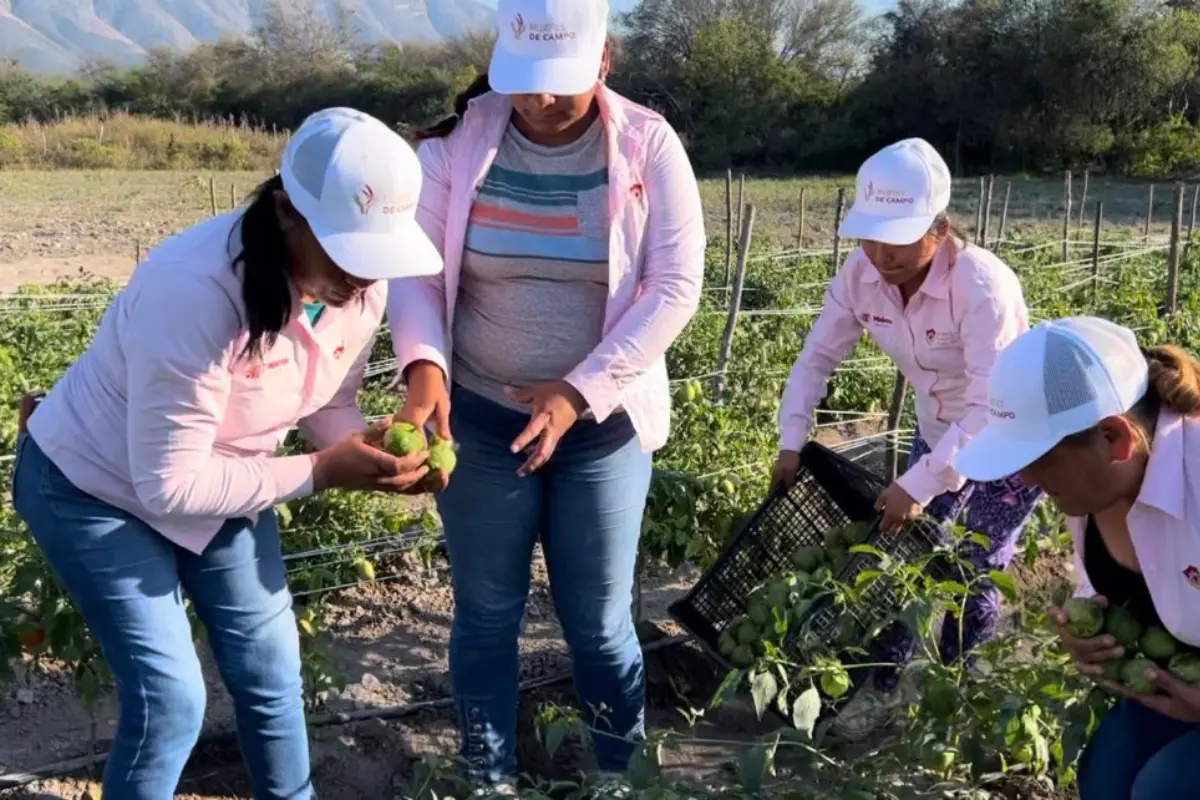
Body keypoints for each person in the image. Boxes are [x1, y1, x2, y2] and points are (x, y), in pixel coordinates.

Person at [11, 107, 442, 800]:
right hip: (92, 488)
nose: (364, 278)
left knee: (271, 673)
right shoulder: (194, 290)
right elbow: (168, 486)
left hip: (228, 477)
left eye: (377, 255)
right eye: (348, 253)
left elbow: (324, 400)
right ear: (285, 213)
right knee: (170, 702)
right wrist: (322, 472)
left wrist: (365, 452)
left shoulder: (360, 282)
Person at [388, 0, 705, 792]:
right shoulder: (461, 141)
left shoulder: (646, 143)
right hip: (483, 419)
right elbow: (416, 271)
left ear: (603, 63)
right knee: (487, 614)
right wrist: (424, 365)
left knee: (598, 625)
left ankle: (618, 777)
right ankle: (485, 777)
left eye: (561, 84)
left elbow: (674, 287)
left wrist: (578, 391)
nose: (542, 101)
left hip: (601, 428)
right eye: (527, 84)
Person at [772, 137, 1043, 740]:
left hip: (1012, 440)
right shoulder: (861, 275)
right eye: (869, 237)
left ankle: (959, 691)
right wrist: (792, 437)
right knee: (901, 561)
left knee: (973, 569)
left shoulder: (982, 287)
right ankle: (884, 690)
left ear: (939, 229)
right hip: (937, 427)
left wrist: (918, 483)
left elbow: (991, 406)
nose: (879, 253)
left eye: (895, 238)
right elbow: (816, 356)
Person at [955, 317, 1200, 799]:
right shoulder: (1092, 489)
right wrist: (1091, 628)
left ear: (1114, 438)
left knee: (1163, 790)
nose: (1023, 478)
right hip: (1178, 695)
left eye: (1038, 458)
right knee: (1103, 779)